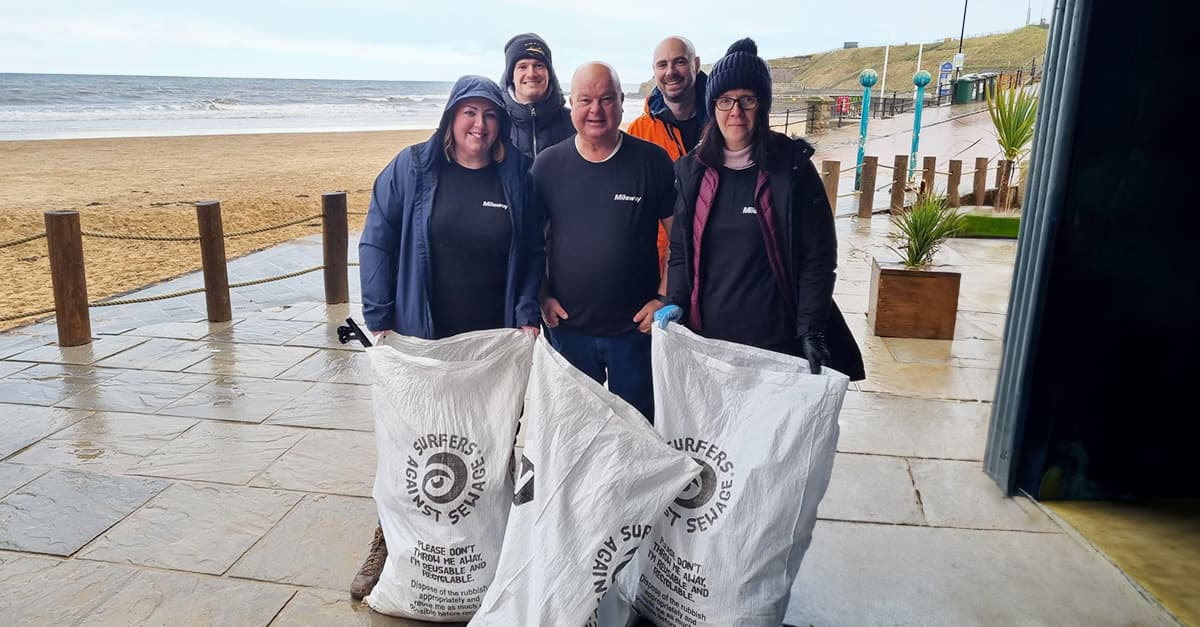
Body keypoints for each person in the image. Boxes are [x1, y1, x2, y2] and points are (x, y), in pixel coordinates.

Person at [352, 75, 542, 601]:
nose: (479, 125)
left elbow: (533, 254)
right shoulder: (412, 167)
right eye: (469, 113)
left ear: (500, 123)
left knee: (488, 445)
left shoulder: (517, 176)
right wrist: (379, 312)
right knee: (412, 451)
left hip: (492, 345)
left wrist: (526, 310)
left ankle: (484, 548)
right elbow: (377, 239)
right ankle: (387, 541)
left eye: (489, 115)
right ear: (451, 117)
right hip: (424, 336)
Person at [654, 39, 865, 381]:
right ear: (713, 106)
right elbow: (680, 248)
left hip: (776, 345)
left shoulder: (793, 169)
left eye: (747, 100)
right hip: (710, 344)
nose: (735, 111)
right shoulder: (691, 171)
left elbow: (819, 259)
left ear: (762, 105)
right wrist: (674, 298)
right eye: (725, 100)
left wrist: (812, 329)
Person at [531, 62, 676, 420]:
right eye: (585, 100)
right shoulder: (547, 165)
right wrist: (541, 295)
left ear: (622, 102)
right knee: (576, 434)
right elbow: (530, 243)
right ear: (571, 104)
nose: (596, 110)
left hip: (635, 334)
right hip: (568, 333)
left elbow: (680, 238)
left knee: (640, 434)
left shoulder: (653, 161)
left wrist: (664, 296)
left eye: (606, 99)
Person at [628, 35, 709, 274]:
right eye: (662, 65)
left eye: (680, 62)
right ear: (654, 71)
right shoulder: (639, 131)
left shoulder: (723, 123)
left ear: (696, 64)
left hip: (718, 263)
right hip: (659, 267)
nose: (670, 71)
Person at [500, 32, 575, 158]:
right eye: (522, 67)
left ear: (549, 73)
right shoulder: (497, 122)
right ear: (511, 76)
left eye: (539, 66)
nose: (531, 73)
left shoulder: (574, 122)